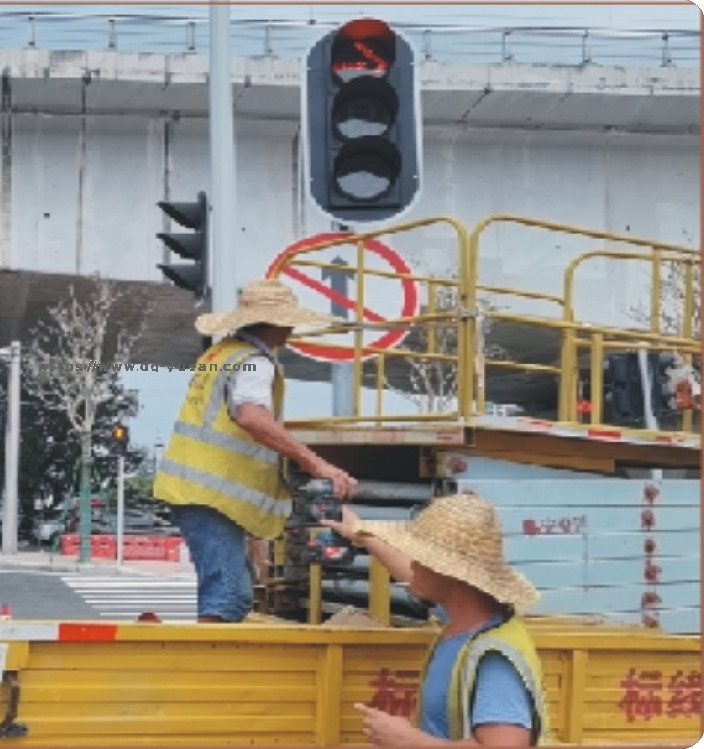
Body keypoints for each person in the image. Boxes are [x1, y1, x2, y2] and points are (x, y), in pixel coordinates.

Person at [153, 279, 358, 623]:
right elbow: (251, 416)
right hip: (212, 492)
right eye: (289, 321)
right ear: (276, 323)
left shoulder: (220, 353)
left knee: (232, 593)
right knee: (227, 597)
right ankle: (209, 657)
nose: (292, 329)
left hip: (198, 488)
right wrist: (315, 463)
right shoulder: (254, 362)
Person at [322, 493, 549, 747]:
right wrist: (362, 534)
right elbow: (415, 578)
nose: (413, 566)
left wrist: (408, 741)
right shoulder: (463, 620)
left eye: (422, 558)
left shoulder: (494, 658)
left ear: (450, 572)